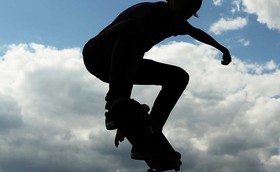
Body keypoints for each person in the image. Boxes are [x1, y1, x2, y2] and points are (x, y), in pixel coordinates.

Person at [82, 0, 232, 154]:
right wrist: (120, 109)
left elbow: (197, 33)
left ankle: (151, 132)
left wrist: (222, 49)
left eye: (190, 13)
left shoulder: (177, 22)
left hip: (122, 67)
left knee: (178, 77)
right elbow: (133, 51)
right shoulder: (149, 10)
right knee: (133, 27)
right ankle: (117, 106)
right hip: (97, 55)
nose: (184, 15)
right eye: (183, 7)